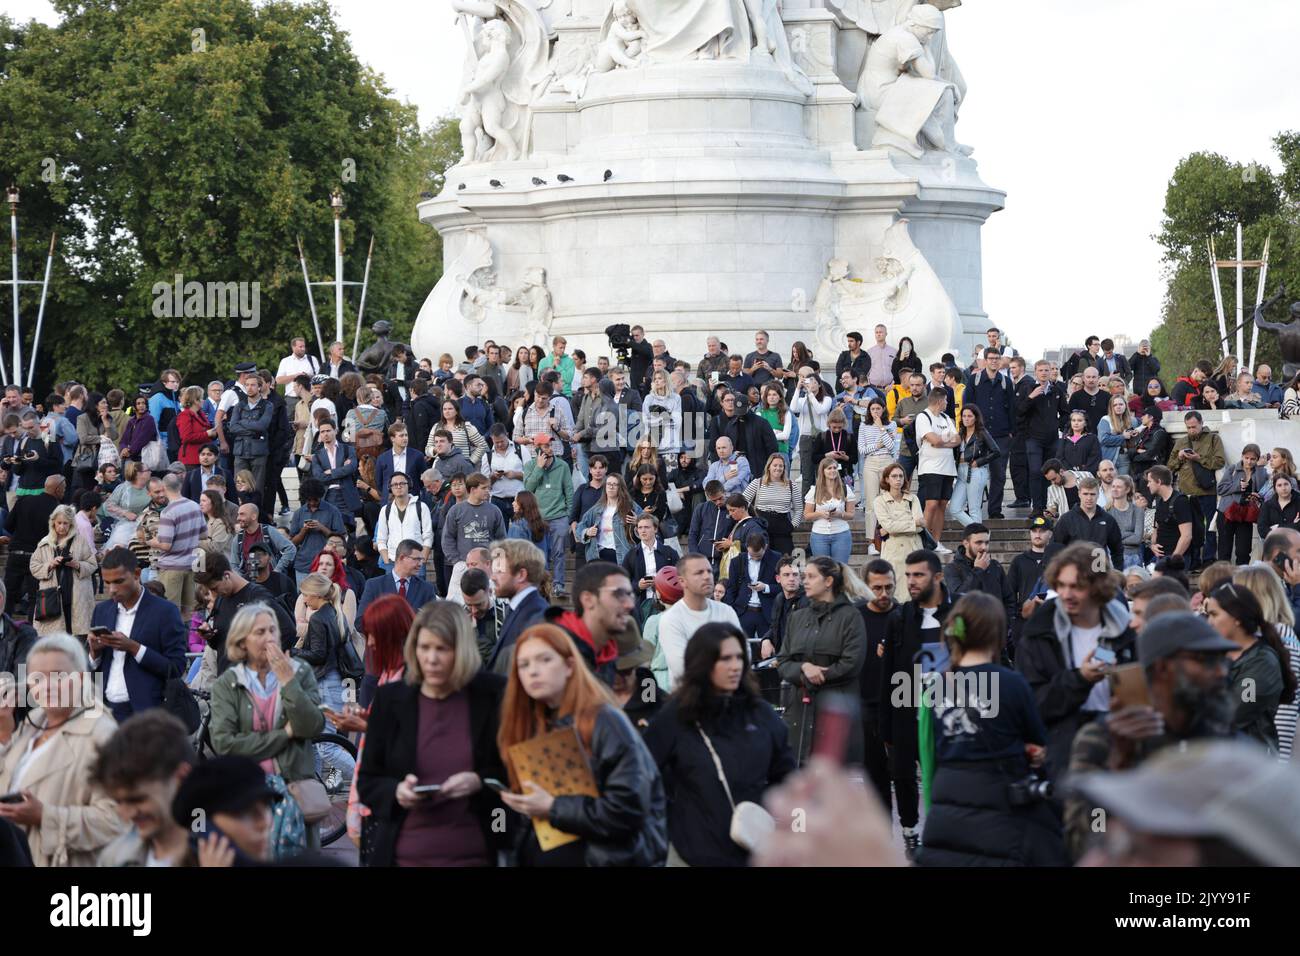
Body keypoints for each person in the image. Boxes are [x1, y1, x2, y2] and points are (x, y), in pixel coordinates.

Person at [496, 623, 667, 867]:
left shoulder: (605, 721)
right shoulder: (529, 725)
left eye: (544, 660)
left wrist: (553, 807)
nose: (533, 671)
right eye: (524, 665)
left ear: (569, 666)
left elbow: (628, 811)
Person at [917, 592, 1065, 866]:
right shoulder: (1012, 683)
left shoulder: (935, 688)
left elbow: (928, 755)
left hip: (947, 806)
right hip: (1000, 804)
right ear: (996, 633)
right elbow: (1038, 741)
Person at [356, 601, 509, 867]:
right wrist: (397, 792)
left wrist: (479, 781)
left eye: (442, 649)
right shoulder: (390, 698)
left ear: (461, 651)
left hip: (476, 852)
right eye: (424, 647)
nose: (431, 659)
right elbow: (368, 782)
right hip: (404, 854)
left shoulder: (492, 694)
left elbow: (512, 772)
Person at [643, 621, 793, 867]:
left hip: (753, 853)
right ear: (703, 663)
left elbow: (788, 781)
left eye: (739, 657)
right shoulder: (676, 716)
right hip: (690, 855)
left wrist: (795, 830)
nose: (735, 666)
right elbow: (646, 776)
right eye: (725, 659)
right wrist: (673, 822)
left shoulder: (761, 714)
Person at [0, 634, 128, 865]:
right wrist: (4, 733)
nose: (47, 686)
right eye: (37, 678)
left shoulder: (103, 734)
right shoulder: (34, 720)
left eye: (58, 677)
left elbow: (118, 820)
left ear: (80, 678)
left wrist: (45, 816)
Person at [1014, 542, 1137, 784]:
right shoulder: (1040, 632)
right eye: (1061, 585)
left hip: (1118, 753)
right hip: (1064, 757)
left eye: (1076, 587)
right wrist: (1080, 679)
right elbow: (1033, 704)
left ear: (1097, 587)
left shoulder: (1124, 629)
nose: (1066, 594)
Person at [206, 603, 325, 845]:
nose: (269, 638)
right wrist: (284, 735)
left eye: (273, 631)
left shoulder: (299, 672)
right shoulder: (227, 684)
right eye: (260, 633)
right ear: (242, 642)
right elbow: (225, 744)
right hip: (246, 796)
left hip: (294, 795)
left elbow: (312, 727)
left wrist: (288, 682)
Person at [876, 550, 950, 856]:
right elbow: (889, 673)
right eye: (907, 575)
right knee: (904, 776)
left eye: (918, 575)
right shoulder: (900, 617)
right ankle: (909, 832)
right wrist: (887, 725)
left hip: (949, 712)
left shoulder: (960, 611)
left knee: (945, 775)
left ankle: (944, 832)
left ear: (937, 577)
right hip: (907, 707)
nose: (911, 581)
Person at [777, 556, 866, 765]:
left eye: (810, 576)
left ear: (828, 582)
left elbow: (851, 663)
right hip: (799, 716)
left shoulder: (851, 617)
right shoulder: (797, 618)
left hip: (837, 714)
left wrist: (818, 675)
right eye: (803, 576)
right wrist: (804, 668)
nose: (804, 581)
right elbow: (783, 661)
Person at [1204, 581, 1292, 754]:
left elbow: (1237, 711)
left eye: (1214, 615)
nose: (1209, 622)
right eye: (1208, 615)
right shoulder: (1217, 654)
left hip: (1252, 762)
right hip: (1218, 758)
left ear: (1236, 617)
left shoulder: (1262, 661)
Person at [656, 554, 742, 691]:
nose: (707, 576)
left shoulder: (726, 611)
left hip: (730, 700)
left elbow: (743, 654)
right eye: (699, 573)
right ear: (682, 581)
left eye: (709, 571)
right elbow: (682, 667)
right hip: (690, 702)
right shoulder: (671, 619)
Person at [137, 472, 204, 619]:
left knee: (169, 614)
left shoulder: (168, 512)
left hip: (172, 567)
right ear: (180, 486)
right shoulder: (194, 505)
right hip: (191, 565)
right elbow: (204, 534)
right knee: (189, 613)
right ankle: (188, 642)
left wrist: (148, 541)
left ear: (165, 487)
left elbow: (166, 545)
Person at [30, 504, 97, 640]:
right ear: (53, 522)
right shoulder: (45, 543)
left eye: (66, 523)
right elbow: (34, 566)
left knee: (78, 638)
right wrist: (50, 565)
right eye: (59, 523)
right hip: (52, 597)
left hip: (77, 598)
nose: (62, 527)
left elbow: (92, 564)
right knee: (54, 639)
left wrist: (77, 564)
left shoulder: (80, 541)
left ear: (71, 524)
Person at [485, 539, 550, 676]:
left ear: (521, 575)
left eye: (499, 571)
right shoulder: (519, 608)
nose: (492, 577)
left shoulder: (536, 616)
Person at [522, 437, 573, 599]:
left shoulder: (563, 465)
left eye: (550, 445)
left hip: (559, 515)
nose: (549, 448)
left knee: (558, 552)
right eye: (545, 446)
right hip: (538, 518)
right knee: (540, 553)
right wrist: (539, 468)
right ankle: (541, 586)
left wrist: (570, 518)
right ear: (537, 449)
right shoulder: (530, 465)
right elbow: (528, 488)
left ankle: (558, 585)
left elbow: (569, 492)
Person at [1017, 360, 1069, 514]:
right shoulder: (1028, 388)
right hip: (1033, 438)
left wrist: (1058, 425)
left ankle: (1049, 506)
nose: (1044, 373)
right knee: (1035, 471)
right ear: (1036, 372)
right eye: (1041, 370)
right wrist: (1031, 398)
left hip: (1052, 438)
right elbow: (1019, 411)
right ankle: (1037, 507)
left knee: (1051, 473)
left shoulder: (1057, 390)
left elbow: (1065, 412)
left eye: (1047, 370)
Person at [914, 386, 958, 551]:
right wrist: (945, 439)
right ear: (940, 401)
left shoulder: (946, 418)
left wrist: (942, 440)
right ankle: (924, 541)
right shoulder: (923, 417)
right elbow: (933, 440)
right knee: (931, 504)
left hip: (948, 468)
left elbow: (958, 439)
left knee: (942, 505)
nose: (947, 403)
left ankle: (936, 542)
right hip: (931, 467)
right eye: (946, 400)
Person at [942, 523, 1015, 620]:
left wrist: (1007, 625)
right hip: (970, 629)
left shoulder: (995, 566)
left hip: (996, 629)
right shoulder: (952, 568)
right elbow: (959, 598)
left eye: (987, 542)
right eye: (978, 542)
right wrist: (978, 570)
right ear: (966, 543)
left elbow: (1009, 599)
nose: (984, 547)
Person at [1050, 475, 1123, 569]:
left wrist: (1118, 574)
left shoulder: (1108, 519)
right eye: (1085, 494)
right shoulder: (1066, 519)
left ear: (1098, 494)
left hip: (1100, 575)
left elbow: (1117, 550)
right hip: (1074, 574)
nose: (1089, 498)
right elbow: (1054, 548)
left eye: (1092, 494)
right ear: (1079, 494)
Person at [722, 531, 781, 644]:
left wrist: (766, 587)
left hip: (767, 614)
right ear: (747, 548)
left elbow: (783, 586)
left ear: (766, 547)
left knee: (767, 649)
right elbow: (731, 589)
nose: (754, 558)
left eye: (758, 556)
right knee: (743, 650)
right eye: (751, 556)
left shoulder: (776, 558)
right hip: (743, 612)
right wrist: (733, 611)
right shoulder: (737, 561)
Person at [356, 540, 438, 622]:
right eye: (416, 559)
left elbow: (433, 622)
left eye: (421, 560)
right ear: (402, 558)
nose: (420, 564)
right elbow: (361, 620)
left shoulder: (427, 588)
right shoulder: (374, 585)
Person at [948, 404, 1000, 527]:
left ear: (975, 418)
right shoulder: (960, 433)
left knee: (974, 509)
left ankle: (977, 537)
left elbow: (996, 451)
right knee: (954, 508)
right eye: (964, 416)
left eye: (969, 416)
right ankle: (979, 532)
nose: (966, 418)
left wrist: (979, 462)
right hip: (961, 472)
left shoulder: (981, 432)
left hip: (975, 471)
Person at [873, 461, 924, 589]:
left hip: (914, 550)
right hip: (893, 553)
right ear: (887, 479)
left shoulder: (913, 499)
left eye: (901, 476)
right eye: (894, 476)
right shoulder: (880, 501)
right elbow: (890, 526)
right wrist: (913, 523)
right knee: (895, 592)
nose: (898, 479)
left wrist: (892, 528)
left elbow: (920, 526)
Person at [289, 478, 346, 586]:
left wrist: (322, 528)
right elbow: (292, 542)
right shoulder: (299, 513)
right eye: (309, 500)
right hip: (304, 564)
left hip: (327, 563)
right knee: (303, 598)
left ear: (320, 496)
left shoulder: (332, 511)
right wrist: (304, 530)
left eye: (315, 500)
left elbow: (341, 538)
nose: (312, 503)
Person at [742, 453, 800, 557]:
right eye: (775, 465)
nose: (778, 468)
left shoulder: (791, 485)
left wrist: (792, 525)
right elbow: (742, 502)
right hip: (761, 525)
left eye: (781, 466)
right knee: (762, 560)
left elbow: (799, 509)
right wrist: (750, 522)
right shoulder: (757, 482)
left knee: (785, 560)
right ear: (768, 467)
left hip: (783, 526)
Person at [575, 473, 640, 566]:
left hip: (622, 554)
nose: (611, 487)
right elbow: (579, 528)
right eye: (609, 484)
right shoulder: (597, 509)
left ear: (620, 487)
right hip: (599, 554)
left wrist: (637, 521)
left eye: (615, 484)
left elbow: (650, 522)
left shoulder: (630, 506)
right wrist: (587, 532)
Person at [803, 455, 857, 563]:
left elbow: (851, 514)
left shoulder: (846, 489)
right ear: (823, 471)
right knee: (823, 571)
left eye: (834, 468)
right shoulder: (814, 490)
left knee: (841, 569)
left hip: (841, 534)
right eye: (829, 468)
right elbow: (807, 515)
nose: (832, 470)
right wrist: (820, 514)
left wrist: (839, 514)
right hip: (819, 535)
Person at [623, 514, 677, 619]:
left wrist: (659, 582)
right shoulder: (631, 554)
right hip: (640, 605)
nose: (643, 531)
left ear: (655, 529)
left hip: (666, 603)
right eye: (640, 527)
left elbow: (679, 578)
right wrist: (637, 586)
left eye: (647, 527)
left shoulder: (669, 552)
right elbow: (623, 582)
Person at [1146, 465, 1194, 566]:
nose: (1147, 485)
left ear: (1159, 482)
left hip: (1177, 559)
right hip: (1161, 558)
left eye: (1150, 481)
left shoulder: (1180, 501)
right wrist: (1152, 545)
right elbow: (1157, 527)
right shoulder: (1159, 500)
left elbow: (1186, 536)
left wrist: (1173, 560)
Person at [1258, 473, 1300, 538]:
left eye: (1286, 484)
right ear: (1275, 489)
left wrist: (1277, 527)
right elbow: (1262, 530)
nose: (1283, 488)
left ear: (1291, 485)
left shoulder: (1298, 502)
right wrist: (1292, 525)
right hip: (1275, 545)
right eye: (1279, 485)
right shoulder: (1267, 505)